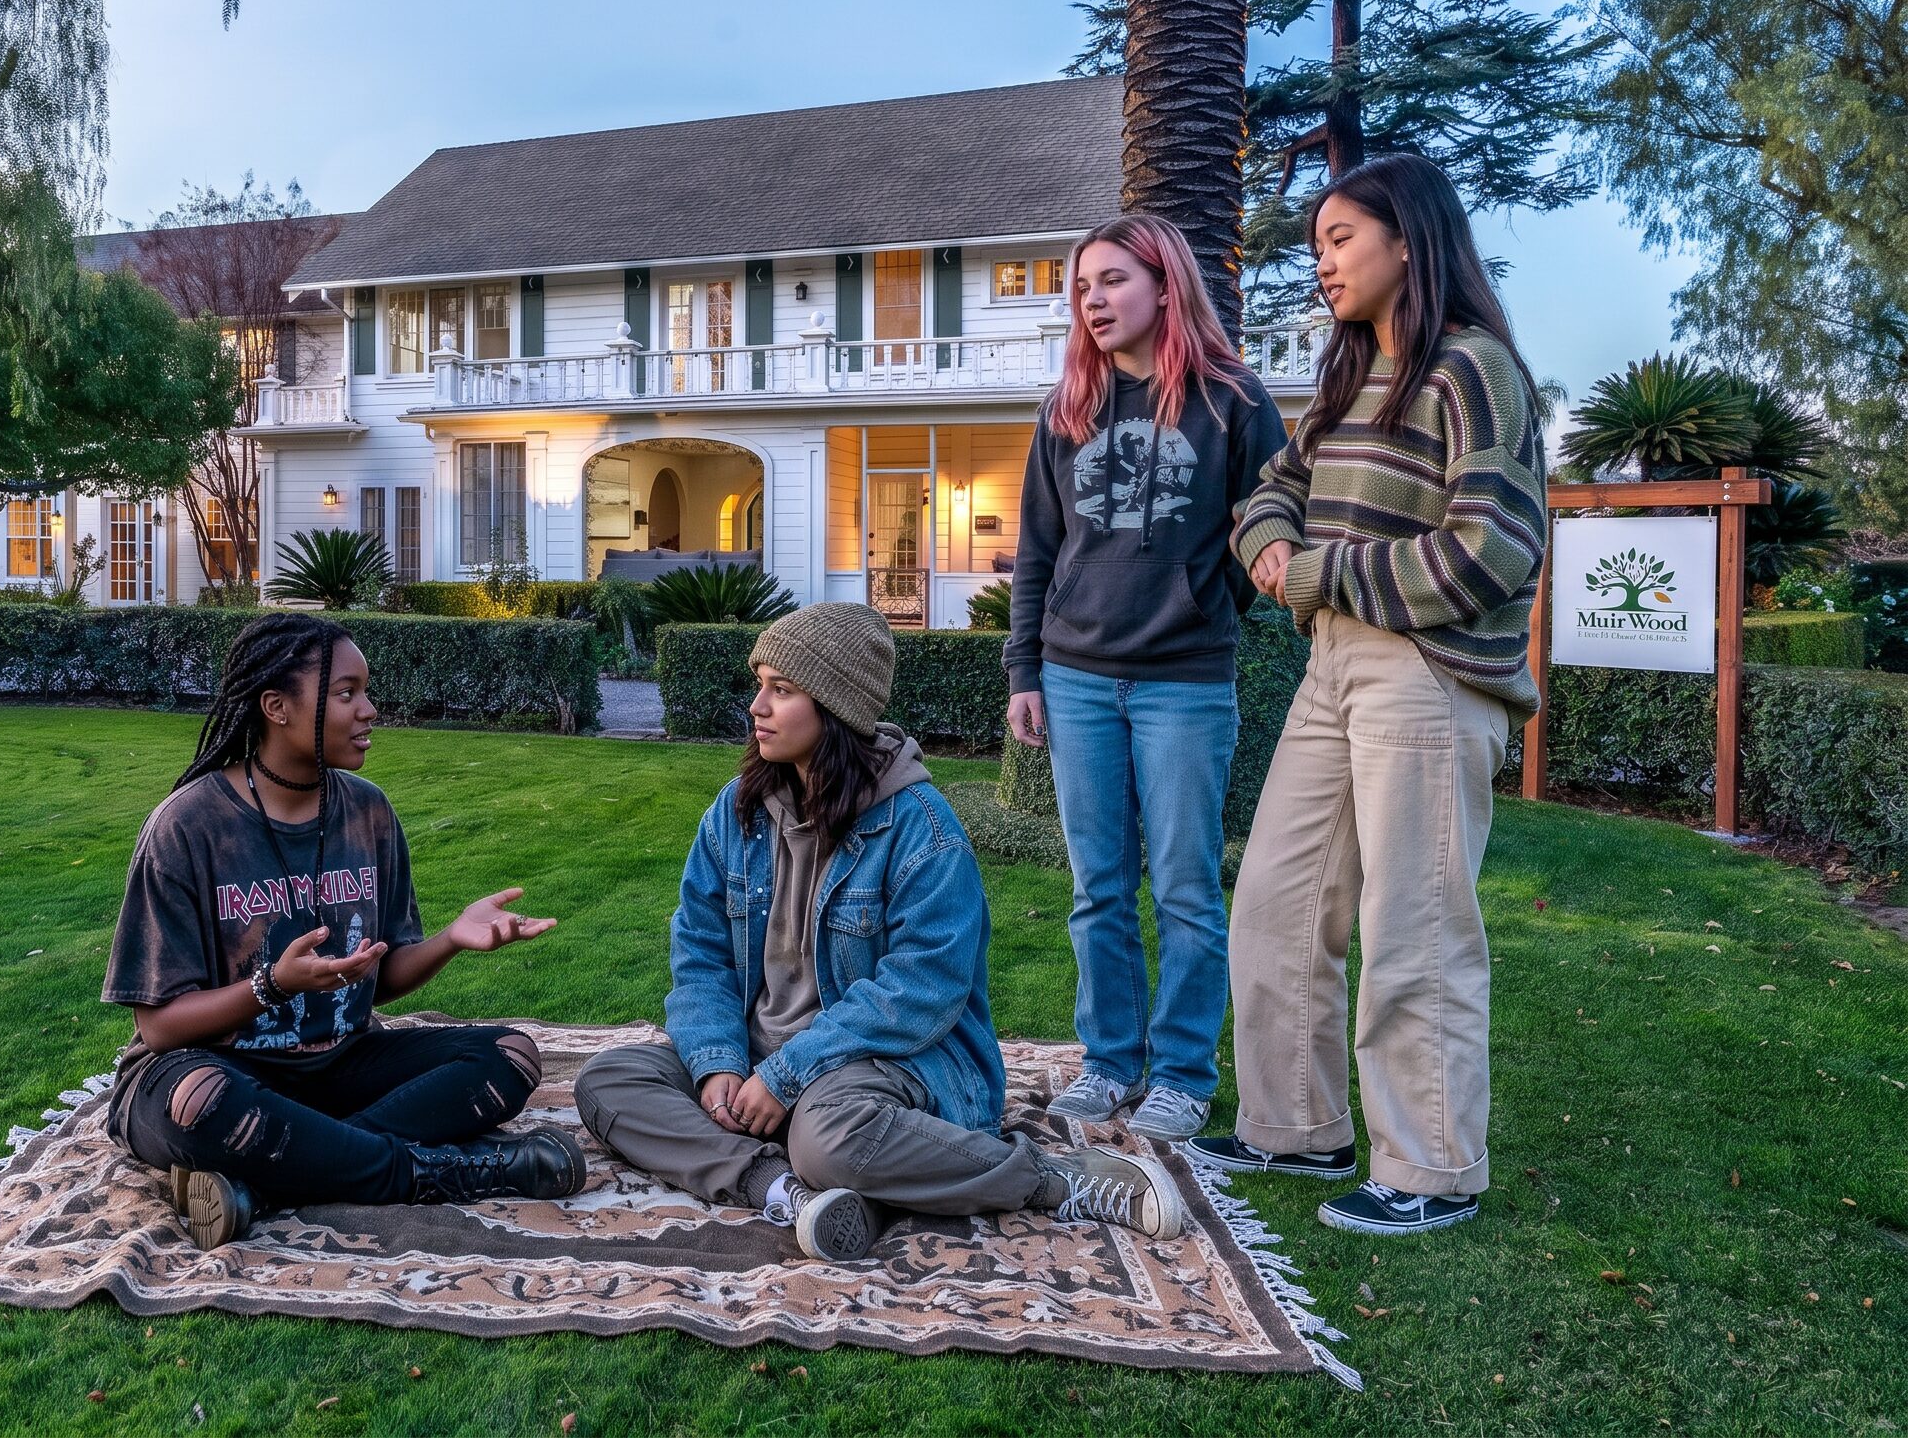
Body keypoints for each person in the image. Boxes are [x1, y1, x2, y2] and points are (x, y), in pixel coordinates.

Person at [575, 602, 1186, 1263]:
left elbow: (922, 991)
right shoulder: (738, 813)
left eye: (781, 690)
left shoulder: (922, 828)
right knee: (609, 1081)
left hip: (892, 1063)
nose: (757, 706)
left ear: (835, 707)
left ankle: (1051, 1179)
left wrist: (784, 1076)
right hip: (761, 1055)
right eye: (760, 685)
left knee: (827, 1136)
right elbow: (701, 955)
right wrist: (717, 1063)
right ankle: (787, 1191)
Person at [1190, 153, 1549, 1236]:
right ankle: (1293, 1125)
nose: (1322, 263)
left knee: (1415, 923)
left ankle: (1430, 1167)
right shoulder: (1347, 378)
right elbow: (1272, 491)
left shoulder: (1469, 368)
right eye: (1315, 247)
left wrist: (1314, 571)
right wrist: (1268, 545)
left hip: (1427, 669)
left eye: (1339, 238)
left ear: (1408, 240)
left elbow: (1492, 548)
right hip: (1330, 661)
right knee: (1276, 900)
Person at [103, 611, 583, 1249]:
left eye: (366, 692)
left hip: (338, 1063)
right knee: (197, 1100)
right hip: (220, 1067)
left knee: (509, 1056)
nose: (369, 710)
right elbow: (158, 1026)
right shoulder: (188, 827)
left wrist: (448, 939)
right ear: (276, 706)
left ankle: (273, 1179)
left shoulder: (368, 811)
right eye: (345, 693)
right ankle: (434, 1170)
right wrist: (271, 986)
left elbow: (378, 982)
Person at [1003, 213, 1287, 1141]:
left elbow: (1272, 525)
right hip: (1077, 676)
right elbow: (1038, 551)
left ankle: (1181, 1073)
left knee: (1185, 888)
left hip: (1184, 684)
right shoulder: (1066, 412)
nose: (1094, 300)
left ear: (1166, 285)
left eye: (1113, 280)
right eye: (1083, 285)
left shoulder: (1233, 403)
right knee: (1098, 886)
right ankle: (1109, 1062)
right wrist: (1025, 671)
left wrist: (1210, 606)